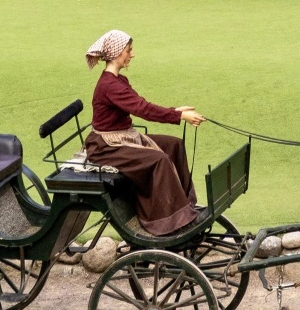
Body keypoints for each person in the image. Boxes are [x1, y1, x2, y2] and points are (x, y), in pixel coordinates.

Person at [83, 30, 207, 236]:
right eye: (128, 50)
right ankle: (167, 220)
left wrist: (176, 111)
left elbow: (141, 105)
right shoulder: (110, 86)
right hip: (106, 147)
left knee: (174, 144)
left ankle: (185, 207)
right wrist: (179, 116)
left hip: (124, 136)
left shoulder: (118, 81)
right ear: (116, 53)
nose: (132, 54)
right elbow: (143, 110)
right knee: (159, 160)